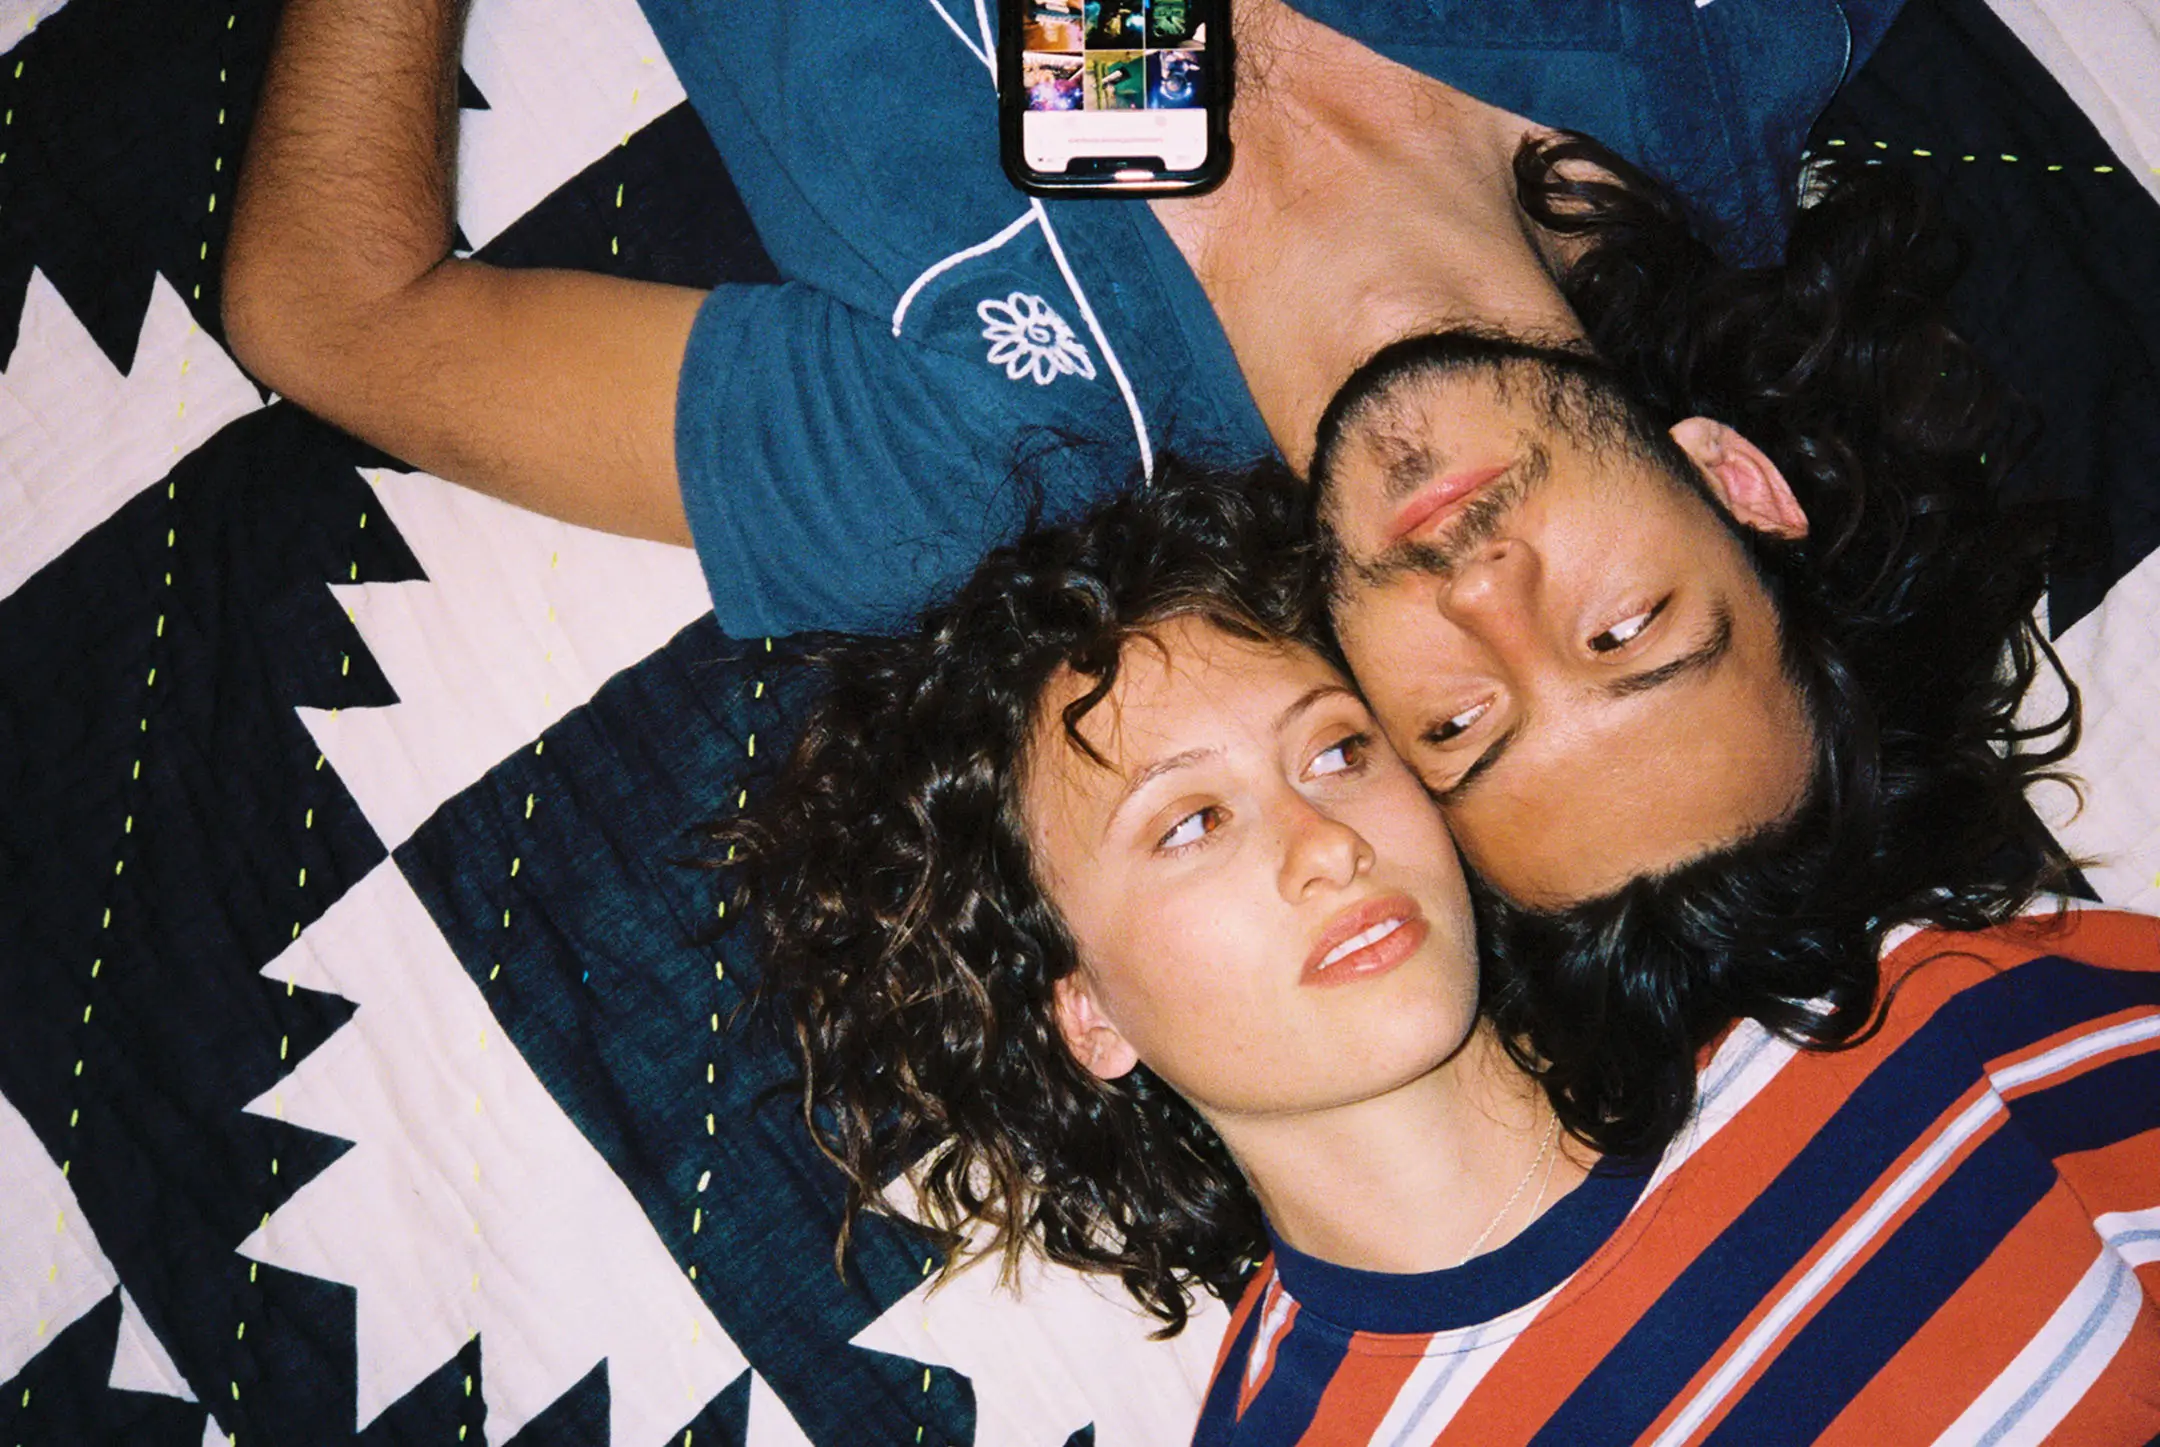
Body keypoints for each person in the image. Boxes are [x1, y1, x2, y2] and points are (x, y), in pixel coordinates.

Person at [720, 462, 2160, 1444]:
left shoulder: (1903, 1013)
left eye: (1340, 750)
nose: (1325, 839)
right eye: (1190, 822)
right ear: (1088, 1014)